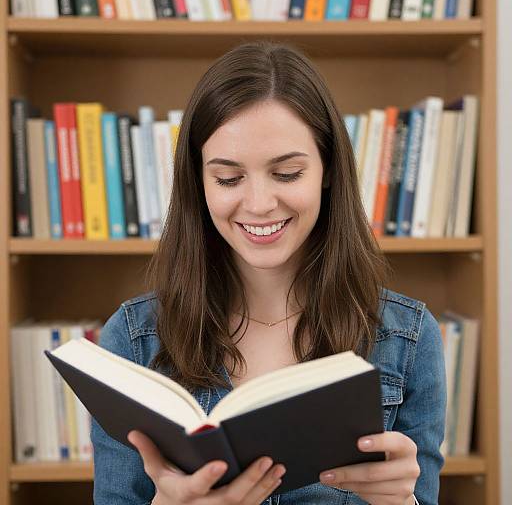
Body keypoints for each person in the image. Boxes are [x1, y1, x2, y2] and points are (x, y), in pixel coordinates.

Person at [91, 40, 446, 505]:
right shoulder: (133, 340)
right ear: (198, 184)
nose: (259, 204)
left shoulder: (408, 339)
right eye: (228, 179)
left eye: (286, 174)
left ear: (327, 171)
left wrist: (403, 501)